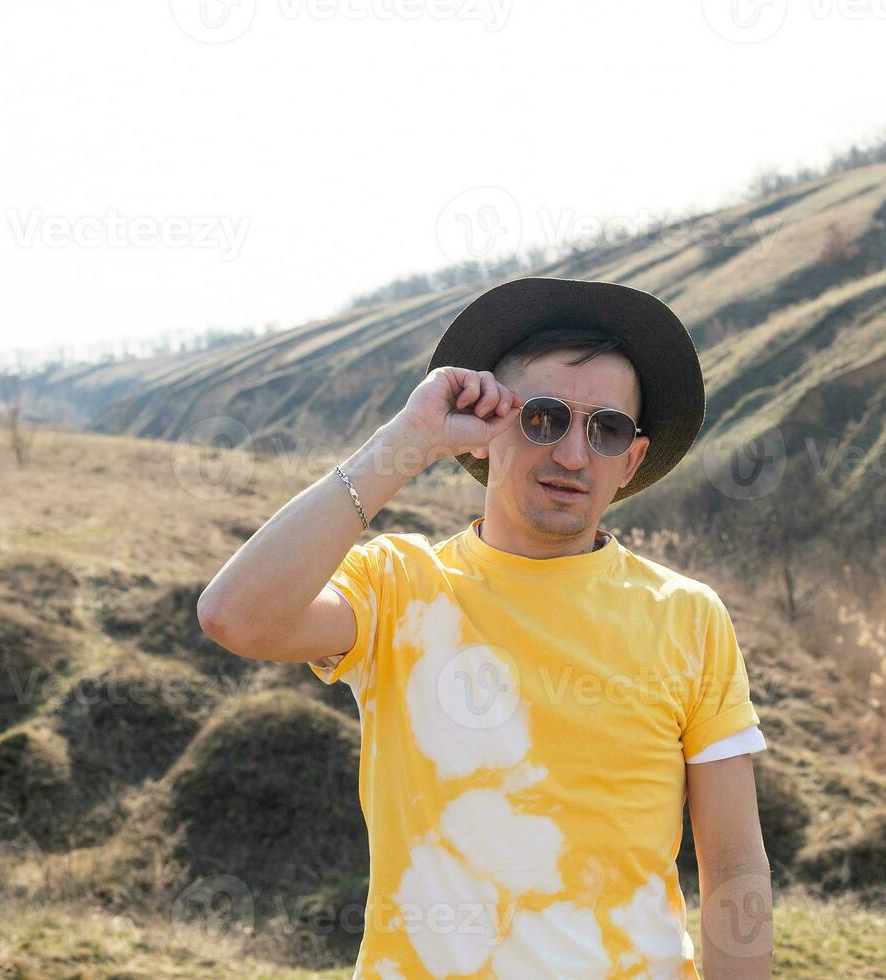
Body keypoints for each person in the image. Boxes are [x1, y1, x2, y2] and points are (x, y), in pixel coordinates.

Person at [198, 276, 773, 978]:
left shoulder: (688, 616)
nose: (571, 454)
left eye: (606, 429)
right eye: (543, 418)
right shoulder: (400, 589)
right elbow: (237, 617)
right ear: (488, 430)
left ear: (631, 460)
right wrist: (405, 441)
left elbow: (736, 866)